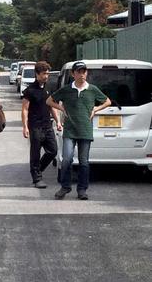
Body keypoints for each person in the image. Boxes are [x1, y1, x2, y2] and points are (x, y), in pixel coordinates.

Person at [46, 61, 111, 200]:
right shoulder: (66, 89)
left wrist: (96, 109)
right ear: (73, 74)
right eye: (79, 72)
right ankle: (65, 187)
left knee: (84, 162)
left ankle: (82, 190)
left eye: (84, 71)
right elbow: (49, 101)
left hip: (85, 131)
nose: (82, 74)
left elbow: (108, 101)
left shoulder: (92, 89)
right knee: (66, 159)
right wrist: (62, 108)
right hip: (69, 130)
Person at [22, 61, 62, 189]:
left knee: (53, 150)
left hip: (47, 125)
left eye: (47, 74)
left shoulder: (48, 88)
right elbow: (25, 109)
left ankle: (37, 170)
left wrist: (58, 121)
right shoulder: (29, 90)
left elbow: (51, 107)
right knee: (35, 153)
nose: (46, 76)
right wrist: (25, 127)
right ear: (37, 74)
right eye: (44, 74)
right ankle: (37, 179)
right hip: (35, 126)